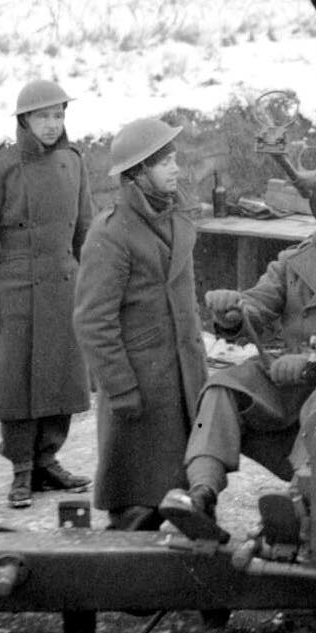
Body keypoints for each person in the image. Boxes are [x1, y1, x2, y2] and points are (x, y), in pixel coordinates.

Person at [158, 185, 316, 542]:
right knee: (222, 386)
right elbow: (260, 303)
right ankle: (201, 495)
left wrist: (311, 359)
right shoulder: (292, 261)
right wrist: (234, 311)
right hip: (285, 376)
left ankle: (298, 507)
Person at [0, 79, 93, 509]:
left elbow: (84, 231)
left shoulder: (73, 161)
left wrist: (91, 286)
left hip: (64, 286)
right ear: (24, 120)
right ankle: (21, 471)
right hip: (13, 289)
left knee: (61, 381)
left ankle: (47, 463)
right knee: (16, 386)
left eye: (58, 115)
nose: (53, 125)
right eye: (43, 117)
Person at [73, 117, 208, 531]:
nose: (176, 169)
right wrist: (121, 386)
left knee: (189, 481)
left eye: (174, 159)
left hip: (184, 371)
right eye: (164, 162)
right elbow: (93, 321)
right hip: (140, 381)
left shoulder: (178, 216)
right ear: (137, 173)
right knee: (137, 493)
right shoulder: (111, 233)